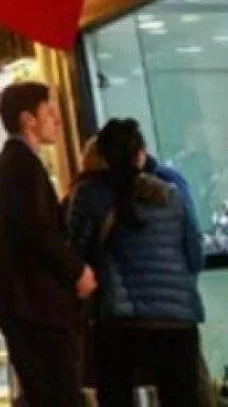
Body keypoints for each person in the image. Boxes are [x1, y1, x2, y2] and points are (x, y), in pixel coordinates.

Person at [67, 118, 204, 407]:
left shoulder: (89, 195)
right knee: (182, 397)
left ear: (101, 157)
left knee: (117, 397)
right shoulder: (172, 193)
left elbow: (76, 255)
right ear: (140, 154)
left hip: (120, 323)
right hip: (177, 320)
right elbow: (195, 254)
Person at [0, 82, 96, 407]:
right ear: (29, 119)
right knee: (60, 392)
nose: (57, 120)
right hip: (37, 305)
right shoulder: (23, 167)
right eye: (50, 113)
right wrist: (78, 271)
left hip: (17, 305)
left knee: (41, 391)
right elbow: (38, 231)